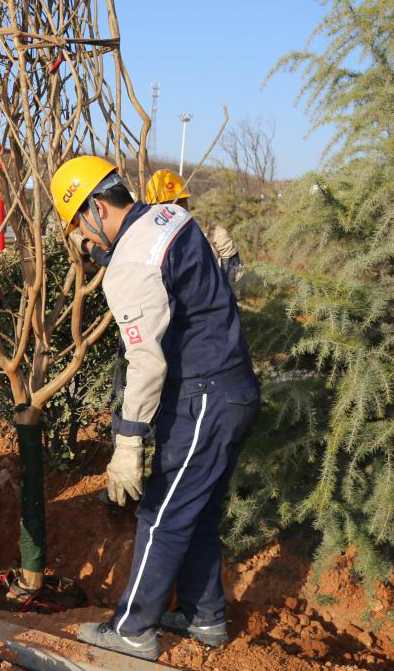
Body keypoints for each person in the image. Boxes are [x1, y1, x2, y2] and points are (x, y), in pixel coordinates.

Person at [50, 156, 259, 659]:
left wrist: (127, 440)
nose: (84, 238)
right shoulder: (172, 218)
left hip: (202, 395)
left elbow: (145, 360)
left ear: (97, 207)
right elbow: (172, 285)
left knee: (160, 514)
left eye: (80, 224)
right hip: (233, 389)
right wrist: (103, 256)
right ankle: (202, 614)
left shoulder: (130, 263)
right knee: (199, 512)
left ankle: (132, 629)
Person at [146, 169, 242, 288]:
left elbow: (229, 286)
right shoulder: (147, 243)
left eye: (180, 203)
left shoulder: (205, 236)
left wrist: (228, 259)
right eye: (169, 204)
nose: (176, 209)